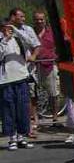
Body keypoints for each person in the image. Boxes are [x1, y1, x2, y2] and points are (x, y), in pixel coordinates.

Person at [0, 18, 37, 150]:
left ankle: (22, 137)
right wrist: (5, 40)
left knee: (22, 108)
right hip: (6, 80)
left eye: (9, 28)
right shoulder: (1, 41)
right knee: (9, 109)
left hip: (21, 77)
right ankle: (12, 138)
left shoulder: (19, 39)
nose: (7, 30)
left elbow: (33, 42)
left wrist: (16, 31)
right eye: (4, 28)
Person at [8, 8, 41, 138]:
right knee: (13, 100)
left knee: (29, 98)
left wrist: (33, 56)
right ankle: (17, 129)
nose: (23, 19)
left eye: (23, 16)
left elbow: (35, 44)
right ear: (12, 17)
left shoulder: (27, 29)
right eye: (20, 16)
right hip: (11, 70)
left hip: (27, 69)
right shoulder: (5, 29)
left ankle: (29, 126)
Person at [32, 11, 59, 128]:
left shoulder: (52, 32)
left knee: (54, 93)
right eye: (37, 19)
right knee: (32, 94)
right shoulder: (30, 32)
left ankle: (55, 118)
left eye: (41, 19)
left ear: (45, 20)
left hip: (50, 65)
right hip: (34, 66)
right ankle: (35, 120)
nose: (39, 22)